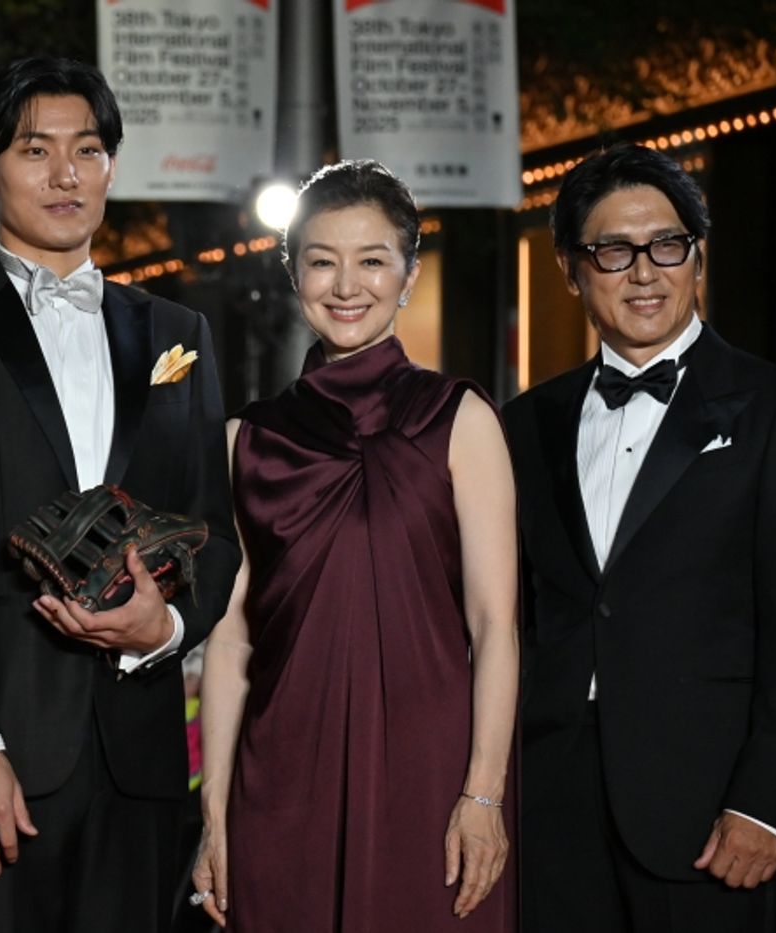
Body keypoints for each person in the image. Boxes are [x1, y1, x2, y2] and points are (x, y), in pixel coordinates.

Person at [0, 56, 240, 933]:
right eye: (36, 150)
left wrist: (169, 627)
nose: (66, 174)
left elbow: (214, 539)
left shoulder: (179, 334)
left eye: (89, 149)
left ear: (113, 165)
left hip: (140, 759)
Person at [503, 142, 776, 932]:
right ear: (570, 268)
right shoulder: (523, 423)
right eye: (614, 251)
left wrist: (768, 802)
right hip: (551, 806)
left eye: (668, 245)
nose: (645, 272)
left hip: (710, 815)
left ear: (697, 256)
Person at [190, 160, 519, 931]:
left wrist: (483, 791)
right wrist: (215, 808)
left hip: (431, 772)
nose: (347, 285)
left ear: (407, 274)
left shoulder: (460, 419)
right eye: (322, 260)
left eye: (372, 260)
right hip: (279, 776)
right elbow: (231, 637)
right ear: (292, 272)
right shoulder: (246, 440)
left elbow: (496, 625)